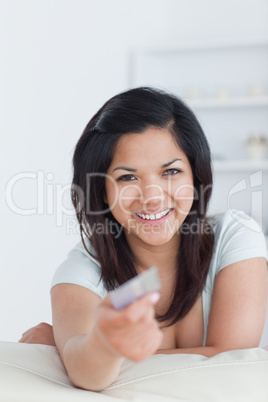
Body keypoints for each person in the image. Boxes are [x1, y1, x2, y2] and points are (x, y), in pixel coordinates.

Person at [19, 87, 268, 391]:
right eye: (127, 177)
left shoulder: (234, 237)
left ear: (195, 175)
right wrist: (92, 350)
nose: (152, 197)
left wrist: (83, 354)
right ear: (101, 190)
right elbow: (87, 374)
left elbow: (229, 360)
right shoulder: (83, 272)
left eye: (171, 171)